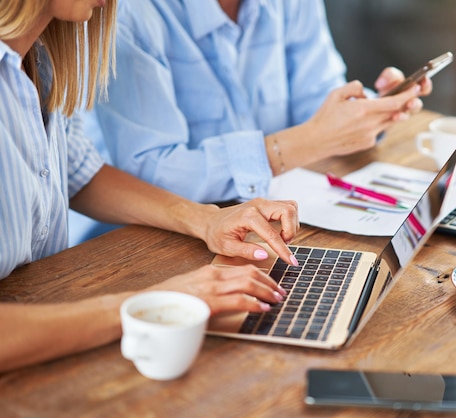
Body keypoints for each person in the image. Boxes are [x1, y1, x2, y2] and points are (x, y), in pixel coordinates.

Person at [0, 0, 301, 372]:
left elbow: (78, 170)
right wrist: (146, 304)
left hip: (53, 326)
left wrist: (206, 219)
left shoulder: (43, 55)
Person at [73, 0, 433, 243]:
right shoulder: (124, 13)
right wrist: (306, 142)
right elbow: (151, 172)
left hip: (268, 220)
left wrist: (366, 113)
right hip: (144, 237)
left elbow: (318, 103)